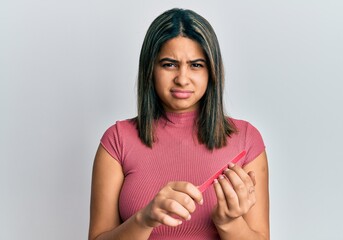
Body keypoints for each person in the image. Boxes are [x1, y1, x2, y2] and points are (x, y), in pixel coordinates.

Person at [88, 8, 269, 240]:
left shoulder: (246, 139)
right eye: (169, 64)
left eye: (196, 65)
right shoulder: (117, 140)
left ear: (212, 71)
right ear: (150, 69)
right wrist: (144, 219)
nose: (182, 79)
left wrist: (228, 223)